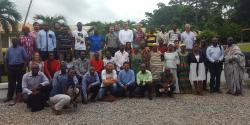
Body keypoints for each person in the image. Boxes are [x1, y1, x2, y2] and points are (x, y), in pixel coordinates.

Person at [4, 38, 28, 102]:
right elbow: (6, 59)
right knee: (11, 83)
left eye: (16, 40)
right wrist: (6, 68)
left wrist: (24, 67)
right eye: (13, 40)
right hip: (11, 68)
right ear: (12, 42)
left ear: (18, 41)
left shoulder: (22, 49)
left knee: (20, 83)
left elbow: (26, 58)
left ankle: (19, 97)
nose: (14, 41)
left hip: (20, 67)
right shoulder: (9, 49)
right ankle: (9, 97)